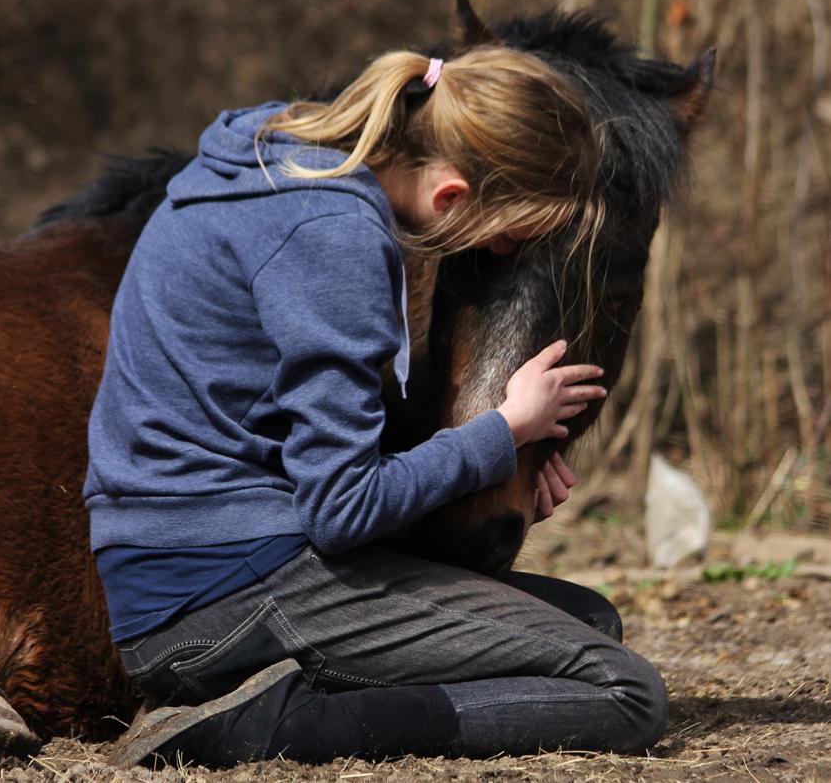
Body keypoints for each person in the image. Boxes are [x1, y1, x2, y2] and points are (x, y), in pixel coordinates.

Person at [84, 46, 668, 767]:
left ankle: (279, 689)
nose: (501, 252)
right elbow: (342, 507)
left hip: (188, 564)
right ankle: (252, 727)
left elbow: (301, 444)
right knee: (625, 691)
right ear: (452, 197)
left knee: (589, 621)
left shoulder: (279, 159)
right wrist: (501, 430)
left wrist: (493, 460)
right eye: (510, 237)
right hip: (225, 585)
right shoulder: (334, 238)